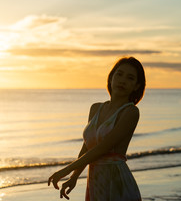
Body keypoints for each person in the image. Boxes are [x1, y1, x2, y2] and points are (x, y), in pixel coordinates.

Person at [48, 57, 146, 200]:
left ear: (136, 86)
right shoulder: (95, 108)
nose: (122, 80)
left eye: (130, 78)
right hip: (95, 179)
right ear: (111, 77)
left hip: (117, 180)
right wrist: (74, 177)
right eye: (119, 74)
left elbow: (103, 148)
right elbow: (87, 147)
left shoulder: (130, 112)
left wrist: (66, 170)